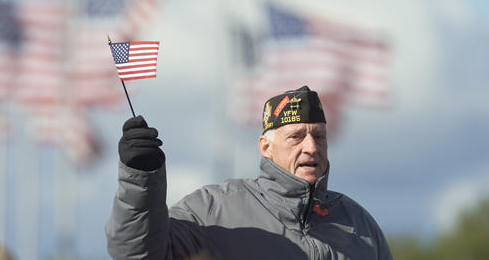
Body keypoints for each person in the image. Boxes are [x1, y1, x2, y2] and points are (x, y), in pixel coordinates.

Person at [106, 86, 393, 260]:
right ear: (265, 147)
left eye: (319, 136)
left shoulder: (360, 226)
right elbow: (135, 253)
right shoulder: (213, 209)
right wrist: (140, 178)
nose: (311, 147)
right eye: (296, 137)